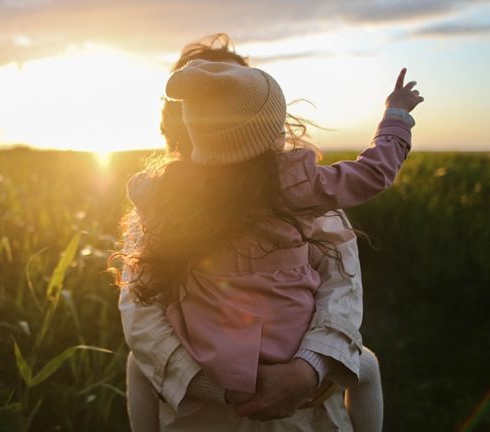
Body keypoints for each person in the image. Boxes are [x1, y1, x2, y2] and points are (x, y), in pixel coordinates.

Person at [116, 34, 421, 431]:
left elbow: (340, 292)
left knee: (136, 365)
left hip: (273, 389)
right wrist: (395, 117)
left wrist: (304, 371)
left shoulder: (165, 196)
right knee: (367, 365)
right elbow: (141, 316)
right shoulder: (300, 188)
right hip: (230, 391)